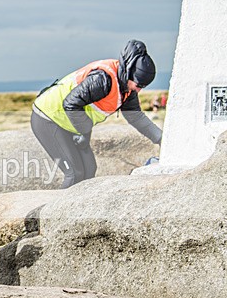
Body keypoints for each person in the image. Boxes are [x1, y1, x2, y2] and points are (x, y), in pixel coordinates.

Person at [31, 39, 162, 188]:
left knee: (89, 170)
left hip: (69, 124)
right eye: (138, 84)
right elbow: (71, 103)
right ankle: (58, 211)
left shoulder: (127, 88)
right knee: (75, 173)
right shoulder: (102, 80)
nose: (139, 90)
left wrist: (161, 139)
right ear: (128, 71)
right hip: (48, 117)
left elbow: (136, 117)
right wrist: (85, 133)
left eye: (143, 86)